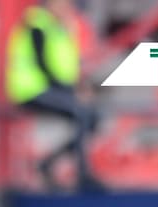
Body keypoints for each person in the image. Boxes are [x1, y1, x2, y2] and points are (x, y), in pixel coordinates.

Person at [5, 0, 101, 191]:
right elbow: (43, 67)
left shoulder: (59, 28)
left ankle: (48, 162)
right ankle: (82, 174)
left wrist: (77, 88)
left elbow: (66, 66)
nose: (67, 7)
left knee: (93, 118)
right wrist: (71, 92)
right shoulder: (36, 26)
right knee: (81, 113)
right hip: (30, 90)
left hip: (50, 89)